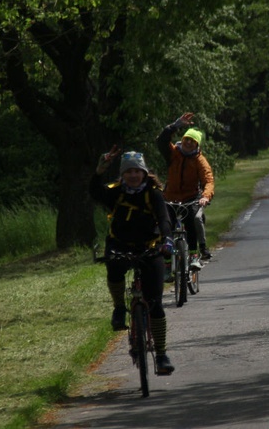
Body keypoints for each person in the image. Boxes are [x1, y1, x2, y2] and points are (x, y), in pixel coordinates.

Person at [91, 147, 175, 374]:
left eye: (137, 171)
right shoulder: (115, 192)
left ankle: (161, 354)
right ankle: (119, 308)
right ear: (123, 174)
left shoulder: (153, 193)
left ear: (144, 172)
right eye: (129, 172)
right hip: (119, 244)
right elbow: (94, 192)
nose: (133, 176)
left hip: (149, 247)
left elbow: (164, 219)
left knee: (155, 303)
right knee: (114, 270)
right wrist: (99, 171)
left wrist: (167, 240)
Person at [157, 113, 215, 265]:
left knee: (193, 220)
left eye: (192, 141)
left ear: (197, 145)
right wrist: (175, 126)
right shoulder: (173, 153)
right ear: (182, 140)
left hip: (191, 198)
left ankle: (195, 255)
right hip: (170, 197)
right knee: (164, 225)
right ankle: (168, 263)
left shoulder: (200, 161)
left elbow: (208, 180)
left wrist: (205, 196)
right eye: (186, 139)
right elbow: (161, 141)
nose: (188, 142)